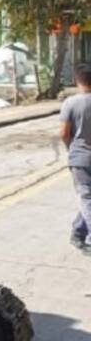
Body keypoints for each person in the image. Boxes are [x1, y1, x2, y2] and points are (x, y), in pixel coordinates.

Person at [61, 61, 91, 256]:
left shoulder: (71, 103)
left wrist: (70, 148)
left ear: (75, 80)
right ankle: (78, 232)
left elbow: (64, 132)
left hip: (80, 157)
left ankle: (83, 235)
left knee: (87, 197)